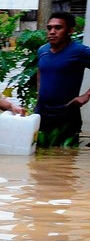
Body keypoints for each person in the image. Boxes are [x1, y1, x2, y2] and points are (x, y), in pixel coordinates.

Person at [35, 12, 90, 148]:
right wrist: (39, 94)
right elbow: (40, 71)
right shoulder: (43, 50)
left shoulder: (80, 51)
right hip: (42, 113)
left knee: (66, 158)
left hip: (67, 114)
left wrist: (86, 96)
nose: (52, 32)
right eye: (49, 28)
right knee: (40, 159)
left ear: (70, 31)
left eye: (58, 28)